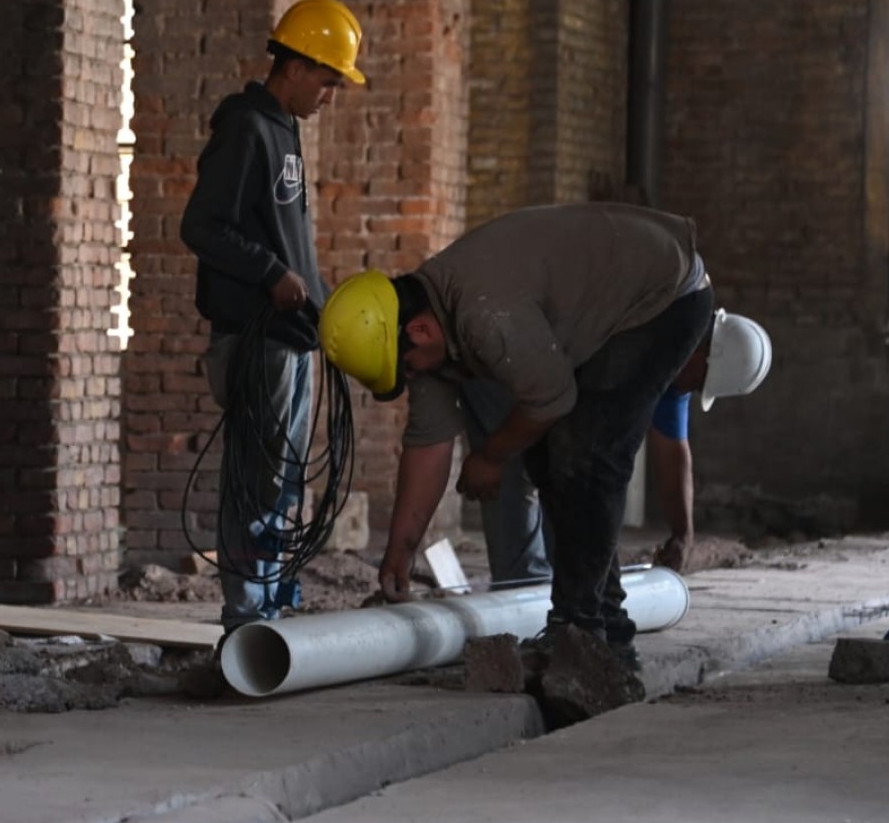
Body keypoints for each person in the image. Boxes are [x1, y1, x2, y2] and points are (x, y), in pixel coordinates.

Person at [319, 203, 770, 669]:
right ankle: (601, 623)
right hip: (612, 304)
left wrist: (490, 456)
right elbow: (427, 443)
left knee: (591, 452)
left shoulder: (484, 312)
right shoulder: (425, 330)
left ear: (418, 330)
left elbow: (552, 401)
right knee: (550, 452)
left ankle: (583, 633)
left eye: (409, 367)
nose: (414, 375)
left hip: (665, 296)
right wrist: (400, 551)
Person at [179, 0, 366, 634]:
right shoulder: (245, 129)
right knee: (254, 481)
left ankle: (271, 601)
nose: (331, 96)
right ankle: (245, 616)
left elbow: (287, 239)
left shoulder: (284, 128)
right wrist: (271, 275)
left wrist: (322, 301)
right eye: (328, 81)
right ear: (295, 65)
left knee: (284, 480)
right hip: (256, 340)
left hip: (293, 337)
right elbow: (202, 227)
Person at [464, 306, 773, 585]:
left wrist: (683, 534)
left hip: (553, 387)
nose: (691, 390)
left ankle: (560, 592)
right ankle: (521, 590)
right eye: (699, 383)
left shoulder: (675, 369)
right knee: (516, 469)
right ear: (701, 352)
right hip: (507, 355)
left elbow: (672, 449)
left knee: (559, 481)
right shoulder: (634, 329)